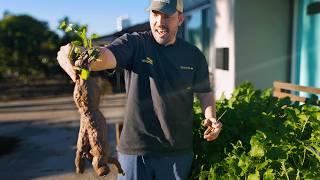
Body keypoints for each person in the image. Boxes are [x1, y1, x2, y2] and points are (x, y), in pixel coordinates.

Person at [57, 0, 222, 179]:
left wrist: (210, 116)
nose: (159, 21)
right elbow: (105, 56)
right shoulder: (135, 43)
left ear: (180, 19)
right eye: (155, 14)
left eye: (167, 16)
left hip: (177, 152)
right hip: (135, 151)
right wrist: (76, 54)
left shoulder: (194, 55)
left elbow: (204, 92)